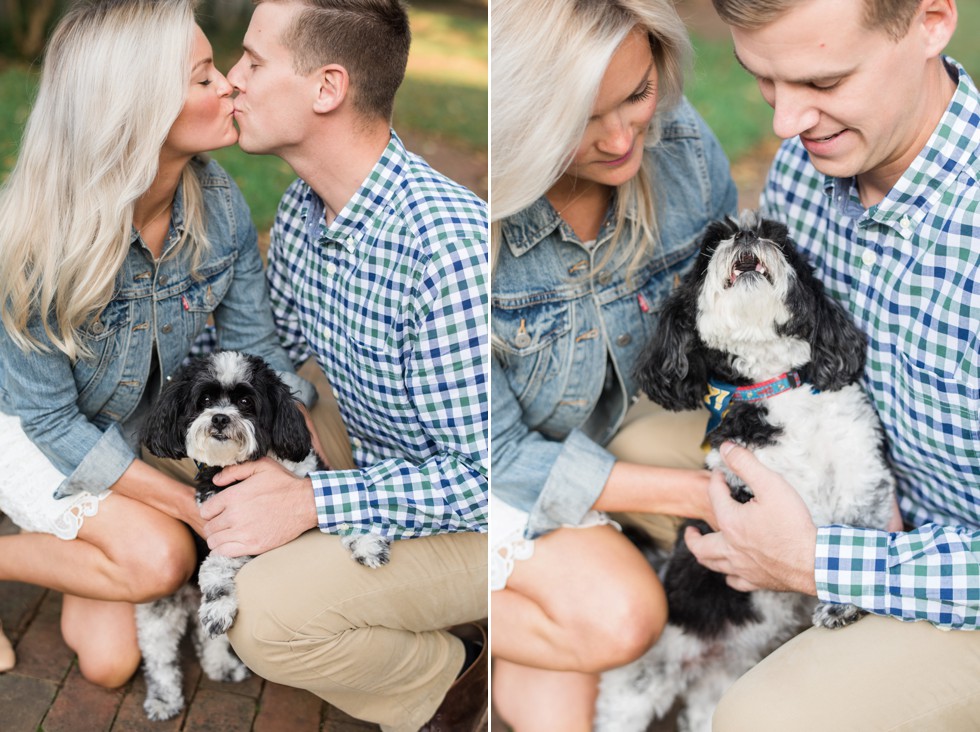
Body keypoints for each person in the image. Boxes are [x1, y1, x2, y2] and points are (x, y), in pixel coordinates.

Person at [681, 0, 980, 728]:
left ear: (932, 21)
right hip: (843, 471)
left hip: (953, 580)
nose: (786, 123)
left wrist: (819, 561)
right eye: (764, 81)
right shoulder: (805, 166)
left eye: (824, 81)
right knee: (629, 444)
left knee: (761, 720)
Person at [0, 0, 313, 688]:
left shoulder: (220, 203)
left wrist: (299, 460)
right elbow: (47, 419)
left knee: (110, 664)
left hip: (120, 428)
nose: (230, 84)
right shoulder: (35, 240)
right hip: (25, 429)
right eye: (205, 78)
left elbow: (255, 342)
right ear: (138, 110)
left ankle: (83, 546)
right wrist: (191, 505)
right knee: (163, 560)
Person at [196, 1, 489, 730]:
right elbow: (284, 357)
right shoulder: (304, 206)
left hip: (489, 521)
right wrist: (284, 444)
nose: (233, 81)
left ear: (327, 89)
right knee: (191, 443)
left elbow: (487, 481)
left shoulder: (445, 250)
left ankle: (457, 690)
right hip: (379, 456)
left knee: (260, 618)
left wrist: (311, 503)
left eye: (254, 62)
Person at [490, 0, 738, 729]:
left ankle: (569, 585)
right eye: (582, 118)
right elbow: (499, 457)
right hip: (502, 479)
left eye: (637, 93)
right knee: (615, 628)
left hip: (614, 441)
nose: (626, 134)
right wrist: (701, 499)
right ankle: (461, 604)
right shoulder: (475, 232)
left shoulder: (683, 148)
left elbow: (723, 329)